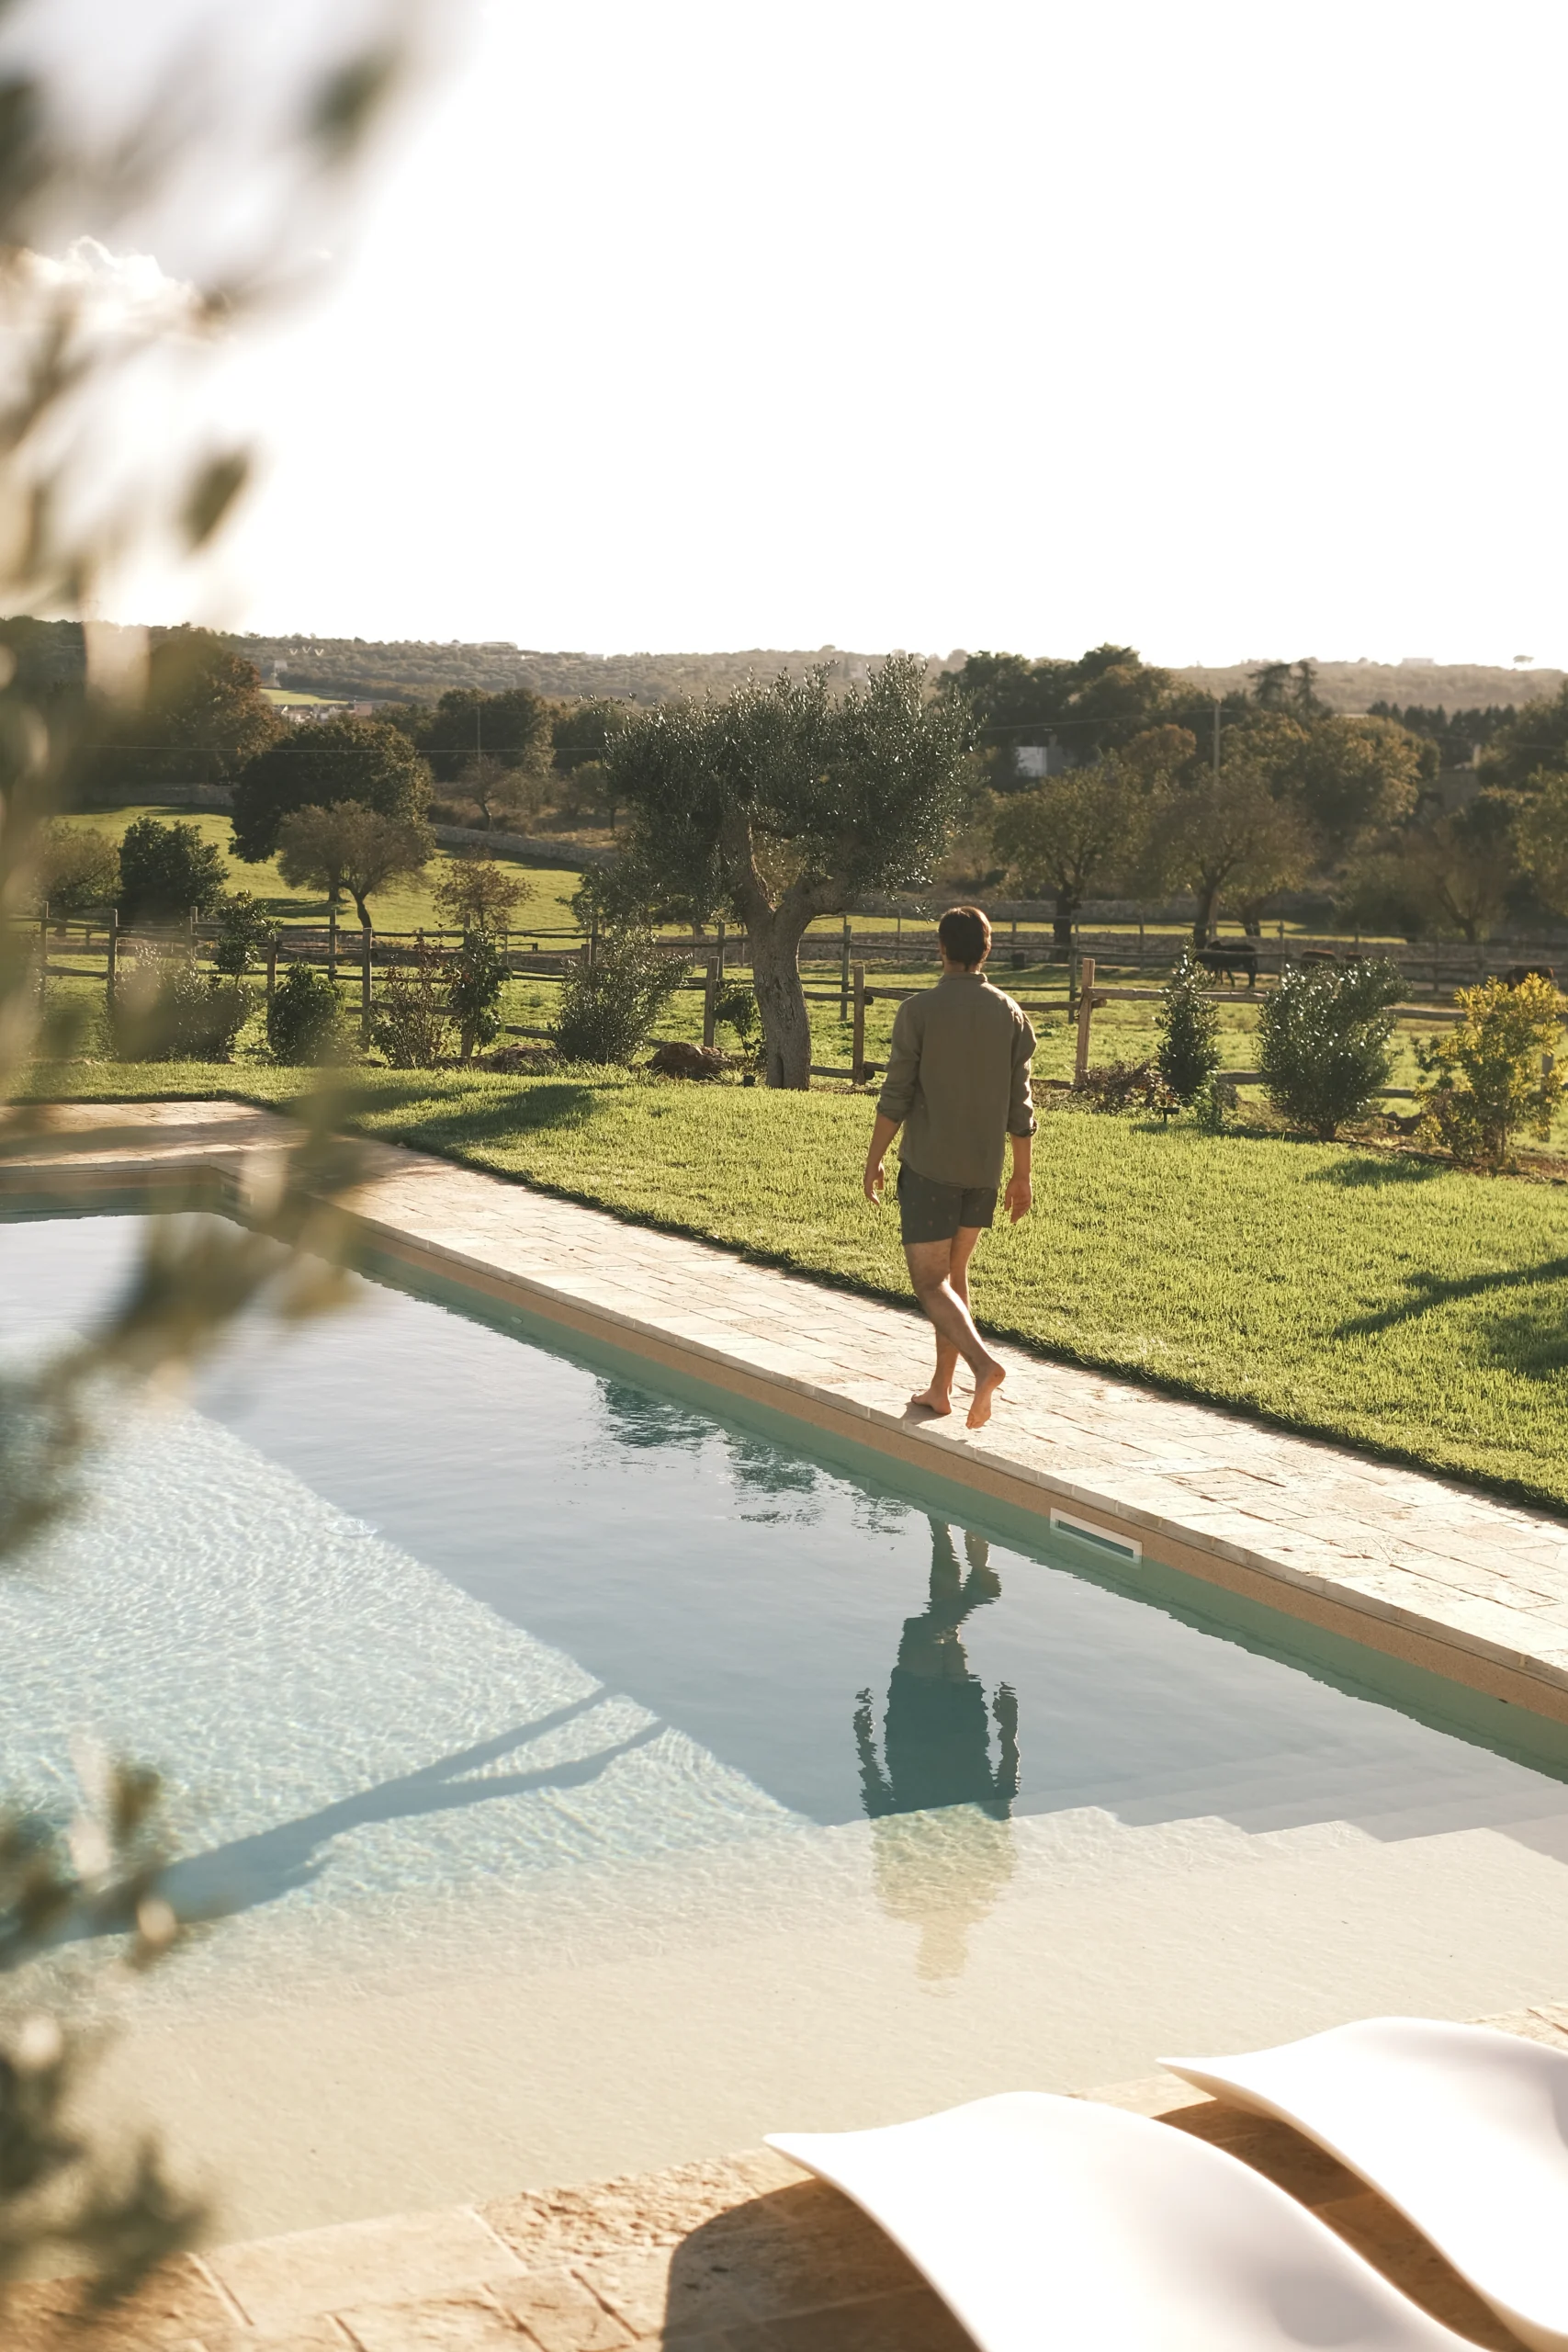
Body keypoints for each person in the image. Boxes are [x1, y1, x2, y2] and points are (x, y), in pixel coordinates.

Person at [863, 904, 1034, 1428]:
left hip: (931, 1168)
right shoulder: (1010, 1012)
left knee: (929, 1283)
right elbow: (1020, 1104)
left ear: (941, 949)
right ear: (986, 950)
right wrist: (1022, 1174)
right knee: (954, 1277)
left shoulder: (918, 1011)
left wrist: (874, 1159)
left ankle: (983, 1367)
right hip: (983, 1170)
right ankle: (941, 1389)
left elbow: (896, 1095)